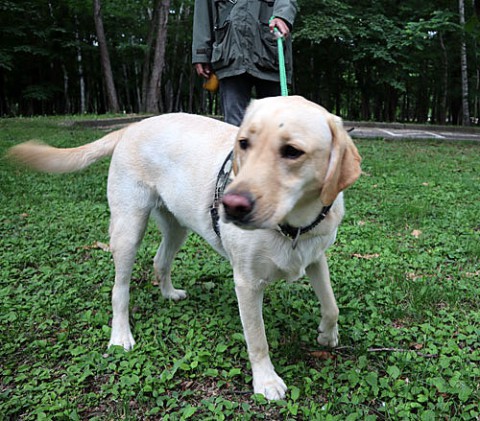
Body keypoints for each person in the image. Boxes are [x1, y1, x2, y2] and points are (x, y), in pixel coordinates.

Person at [192, 0, 298, 126]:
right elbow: (203, 9)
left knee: (275, 127)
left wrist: (282, 16)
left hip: (269, 50)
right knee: (233, 129)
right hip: (229, 52)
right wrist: (202, 53)